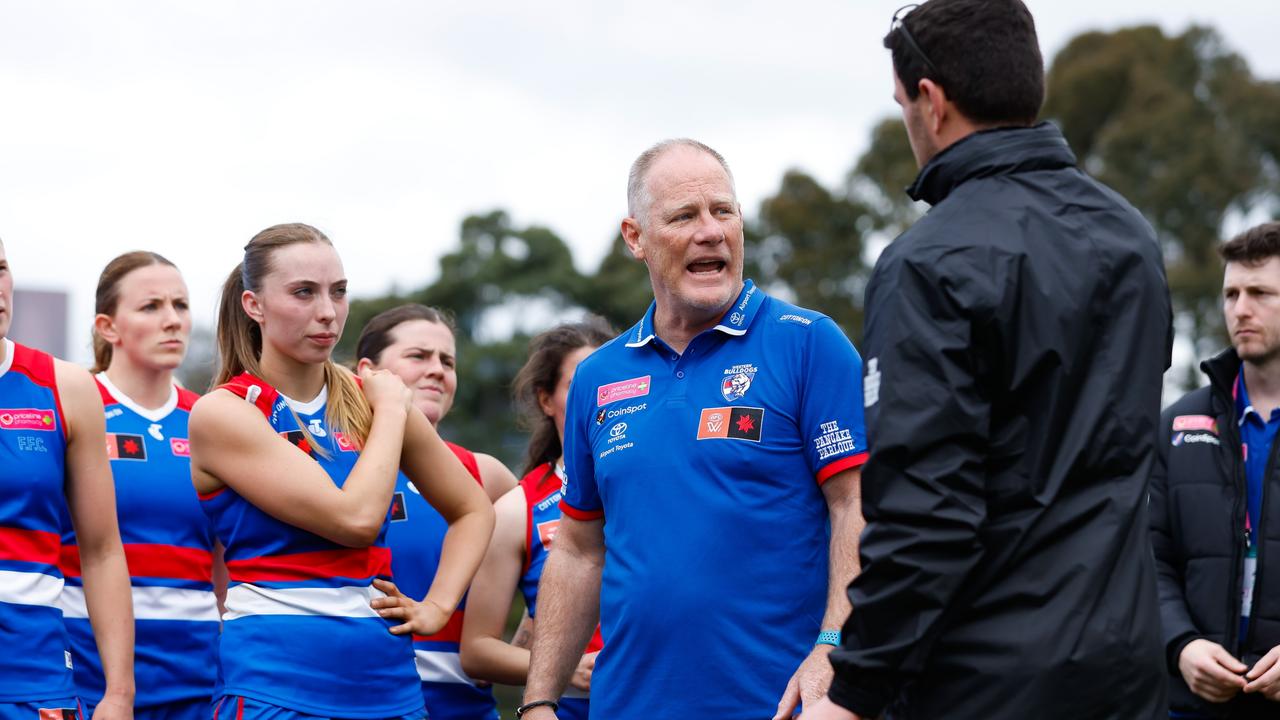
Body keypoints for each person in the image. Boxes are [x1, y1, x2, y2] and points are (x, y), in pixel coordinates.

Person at [809, 1, 1172, 718]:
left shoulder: (929, 262)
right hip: (1126, 675)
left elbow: (926, 517)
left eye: (901, 104)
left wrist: (853, 691)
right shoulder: (1131, 237)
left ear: (932, 102)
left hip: (984, 683)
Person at [519, 139, 869, 720]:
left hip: (778, 705)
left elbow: (856, 504)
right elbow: (580, 549)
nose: (711, 231)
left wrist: (833, 648)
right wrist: (537, 701)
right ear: (635, 237)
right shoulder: (598, 377)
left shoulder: (809, 343)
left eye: (724, 211)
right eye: (684, 216)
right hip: (627, 706)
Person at [188, 223, 494, 720]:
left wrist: (437, 607)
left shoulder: (371, 396)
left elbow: (473, 509)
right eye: (303, 293)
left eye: (339, 292)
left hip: (390, 688)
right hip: (276, 688)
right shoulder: (225, 412)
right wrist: (393, 413)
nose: (327, 313)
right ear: (254, 306)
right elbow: (354, 521)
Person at [59, 252, 218, 720]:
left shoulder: (210, 419)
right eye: (151, 307)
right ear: (108, 327)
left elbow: (230, 553)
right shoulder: (72, 406)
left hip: (199, 667)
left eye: (181, 305)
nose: (172, 321)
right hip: (87, 661)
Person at [355, 304, 518, 720]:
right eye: (418, 356)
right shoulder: (335, 462)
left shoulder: (487, 475)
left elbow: (550, 571)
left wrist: (516, 653)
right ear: (367, 371)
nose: (437, 370)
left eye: (447, 361)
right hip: (359, 696)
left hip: (466, 708)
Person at [0, 238, 135, 720]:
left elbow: (101, 549)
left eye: (1, 268)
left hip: (35, 673)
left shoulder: (65, 386)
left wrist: (119, 694)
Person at [1151, 222, 1280, 718]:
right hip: (1191, 705)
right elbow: (1149, 558)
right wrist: (1180, 645)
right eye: (1231, 294)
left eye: (1260, 293)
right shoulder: (1177, 424)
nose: (1239, 309)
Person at [459, 320, 614, 720]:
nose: (598, 398)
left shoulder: (662, 480)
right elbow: (476, 650)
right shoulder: (517, 508)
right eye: (581, 385)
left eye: (610, 383)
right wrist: (563, 670)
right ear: (547, 400)